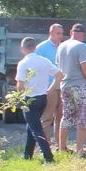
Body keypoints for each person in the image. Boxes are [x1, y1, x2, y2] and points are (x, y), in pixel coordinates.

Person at [15, 36, 61, 163]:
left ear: (22, 49)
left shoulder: (23, 63)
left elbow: (20, 84)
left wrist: (20, 95)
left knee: (36, 129)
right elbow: (59, 75)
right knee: (31, 125)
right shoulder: (44, 61)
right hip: (43, 98)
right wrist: (51, 89)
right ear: (35, 47)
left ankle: (49, 157)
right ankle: (27, 155)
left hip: (30, 99)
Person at [56, 23, 86, 156]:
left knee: (66, 116)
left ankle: (62, 148)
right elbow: (85, 67)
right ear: (83, 34)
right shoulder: (81, 46)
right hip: (79, 85)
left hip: (65, 85)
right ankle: (79, 151)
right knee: (83, 118)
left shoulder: (61, 46)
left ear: (71, 32)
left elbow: (59, 67)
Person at [35, 23, 64, 151]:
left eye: (61, 34)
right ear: (51, 33)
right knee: (47, 117)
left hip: (62, 85)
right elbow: (35, 66)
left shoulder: (62, 47)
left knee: (61, 116)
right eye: (57, 33)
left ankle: (60, 145)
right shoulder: (42, 48)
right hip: (49, 86)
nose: (60, 36)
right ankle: (45, 146)